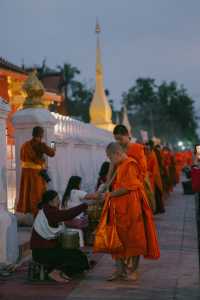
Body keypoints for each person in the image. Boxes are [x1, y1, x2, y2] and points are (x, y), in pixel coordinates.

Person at [94, 143, 160, 281]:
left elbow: (128, 188)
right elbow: (111, 181)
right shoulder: (121, 164)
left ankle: (134, 271)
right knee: (117, 237)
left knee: (133, 238)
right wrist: (104, 189)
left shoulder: (130, 164)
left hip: (131, 205)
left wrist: (109, 195)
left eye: (110, 157)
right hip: (119, 206)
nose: (110, 161)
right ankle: (120, 270)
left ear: (117, 154)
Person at [30, 190, 89, 283]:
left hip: (50, 248)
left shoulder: (49, 209)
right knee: (75, 258)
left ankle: (60, 271)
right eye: (57, 199)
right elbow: (66, 215)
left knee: (81, 257)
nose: (59, 201)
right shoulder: (48, 211)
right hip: (42, 252)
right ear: (50, 202)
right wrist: (84, 206)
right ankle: (55, 272)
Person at [111, 124, 155, 211]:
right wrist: (108, 183)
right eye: (116, 139)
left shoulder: (137, 148)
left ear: (127, 135)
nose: (118, 142)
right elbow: (113, 168)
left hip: (136, 185)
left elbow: (143, 169)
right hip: (121, 187)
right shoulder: (118, 150)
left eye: (120, 139)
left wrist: (133, 185)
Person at [16, 126, 55, 216]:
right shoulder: (41, 145)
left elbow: (22, 158)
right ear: (41, 135)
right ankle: (37, 217)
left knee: (27, 193)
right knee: (37, 195)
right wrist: (53, 143)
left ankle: (30, 212)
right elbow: (52, 153)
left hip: (25, 174)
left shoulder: (25, 145)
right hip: (36, 174)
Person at [62, 176, 99, 247]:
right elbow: (94, 196)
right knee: (92, 221)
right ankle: (89, 242)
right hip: (77, 222)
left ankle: (84, 241)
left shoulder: (67, 194)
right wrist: (101, 191)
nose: (80, 185)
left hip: (67, 222)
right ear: (77, 183)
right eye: (80, 183)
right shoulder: (77, 192)